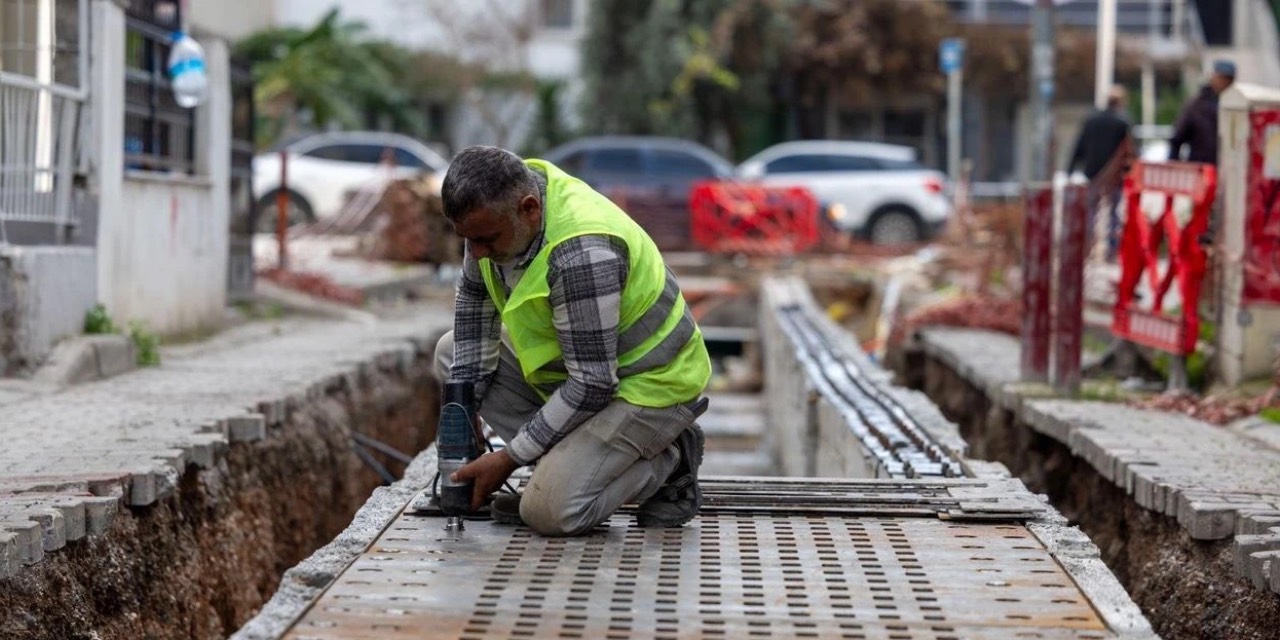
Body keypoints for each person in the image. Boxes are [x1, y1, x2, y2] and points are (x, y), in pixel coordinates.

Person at [433, 145, 712, 537]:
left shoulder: (581, 253)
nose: (476, 254)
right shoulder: (493, 219)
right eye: (467, 240)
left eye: (486, 240)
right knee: (450, 354)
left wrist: (509, 458)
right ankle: (563, 476)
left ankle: (669, 460)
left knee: (551, 514)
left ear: (529, 209)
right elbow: (474, 323)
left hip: (649, 386)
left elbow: (593, 384)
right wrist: (462, 426)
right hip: (579, 370)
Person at [1069, 85, 1133, 261]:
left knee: (1091, 212)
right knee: (1114, 213)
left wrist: (1071, 168)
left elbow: (1079, 145)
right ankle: (1111, 252)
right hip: (1114, 175)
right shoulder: (1123, 122)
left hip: (1092, 172)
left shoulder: (1091, 120)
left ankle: (1087, 248)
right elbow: (1128, 150)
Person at [1169, 60, 1236, 165]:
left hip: (1229, 170)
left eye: (1229, 79)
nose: (1225, 83)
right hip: (1201, 170)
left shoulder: (1237, 107)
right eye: (1222, 78)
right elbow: (1177, 139)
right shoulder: (1196, 106)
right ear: (1213, 77)